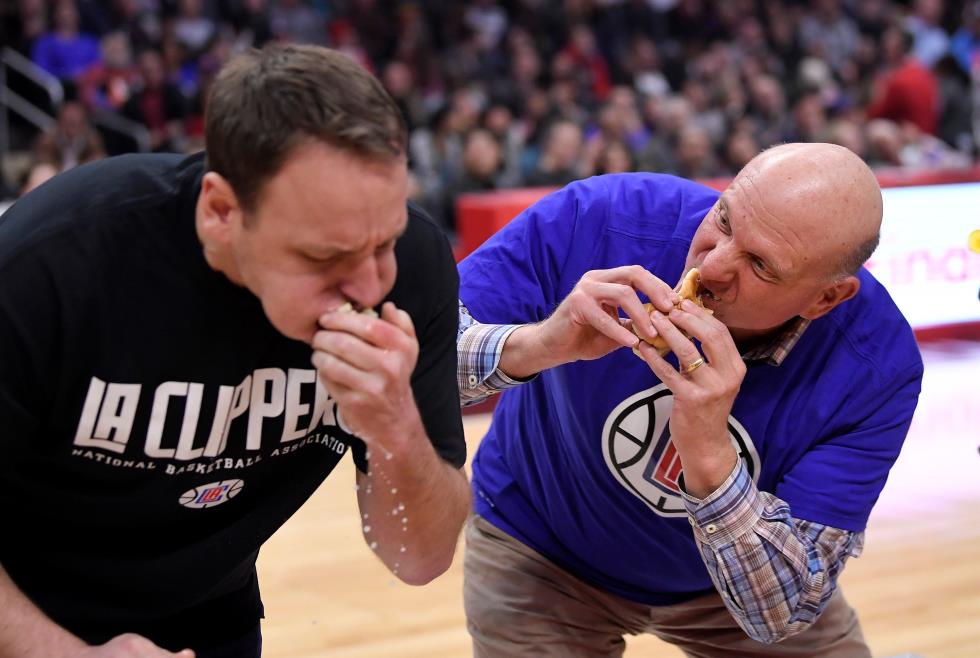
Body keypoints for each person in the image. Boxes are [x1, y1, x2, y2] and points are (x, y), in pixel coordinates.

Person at [0, 44, 469, 658]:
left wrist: (396, 429)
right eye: (325, 258)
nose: (370, 284)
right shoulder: (53, 265)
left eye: (386, 242)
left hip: (208, 611)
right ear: (221, 211)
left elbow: (420, 558)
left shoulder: (413, 275)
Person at [456, 143, 923, 657]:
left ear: (825, 299)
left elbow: (781, 613)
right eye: (723, 219)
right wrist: (542, 343)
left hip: (730, 591)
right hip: (539, 545)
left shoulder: (876, 367)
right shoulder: (606, 216)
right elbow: (417, 362)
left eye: (761, 265)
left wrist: (709, 453)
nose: (714, 265)